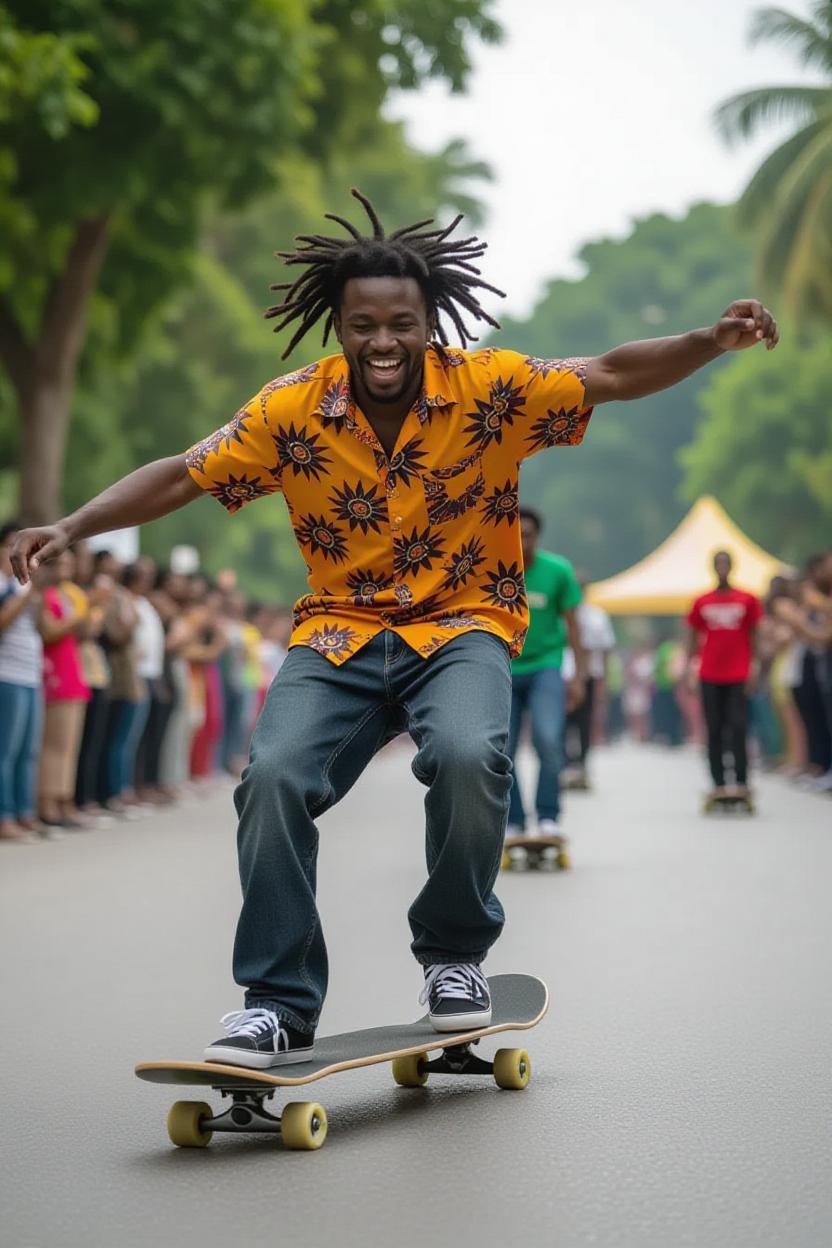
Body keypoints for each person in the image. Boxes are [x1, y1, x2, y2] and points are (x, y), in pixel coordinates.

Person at [10, 189, 779, 1067]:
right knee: (271, 779)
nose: (382, 342)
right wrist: (72, 526)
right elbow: (186, 474)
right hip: (338, 635)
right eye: (362, 325)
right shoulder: (291, 408)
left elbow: (609, 372)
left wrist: (707, 344)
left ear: (428, 321)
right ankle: (275, 1000)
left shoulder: (489, 388)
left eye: (401, 324)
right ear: (337, 323)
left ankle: (453, 957)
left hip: (461, 626)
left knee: (465, 755)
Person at [505, 508, 585, 845]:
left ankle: (549, 816)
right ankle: (515, 821)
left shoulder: (558, 571)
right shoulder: (495, 571)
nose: (523, 540)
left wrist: (579, 676)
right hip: (503, 668)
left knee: (548, 739)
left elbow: (573, 626)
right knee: (501, 750)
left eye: (529, 534)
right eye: (517, 533)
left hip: (546, 666)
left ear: (538, 536)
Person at [686, 551, 764, 798]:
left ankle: (741, 780)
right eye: (718, 564)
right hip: (709, 672)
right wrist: (689, 667)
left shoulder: (747, 599)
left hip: (738, 671)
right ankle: (718, 781)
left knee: (738, 726)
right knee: (715, 728)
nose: (721, 568)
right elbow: (692, 637)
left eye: (725, 564)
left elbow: (755, 635)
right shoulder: (702, 601)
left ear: (731, 567)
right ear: (712, 568)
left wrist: (755, 666)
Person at [0, 521, 43, 842]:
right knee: (7, 750)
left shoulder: (25, 585)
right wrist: (23, 598)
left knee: (28, 749)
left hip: (31, 674)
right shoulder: (5, 586)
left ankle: (25, 812)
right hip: (7, 674)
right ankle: (5, 816)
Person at [563, 571, 616, 785]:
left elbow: (605, 649)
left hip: (590, 675)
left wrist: (604, 681)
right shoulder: (562, 614)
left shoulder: (597, 616)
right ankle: (566, 764)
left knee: (585, 723)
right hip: (565, 673)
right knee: (564, 723)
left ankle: (583, 764)